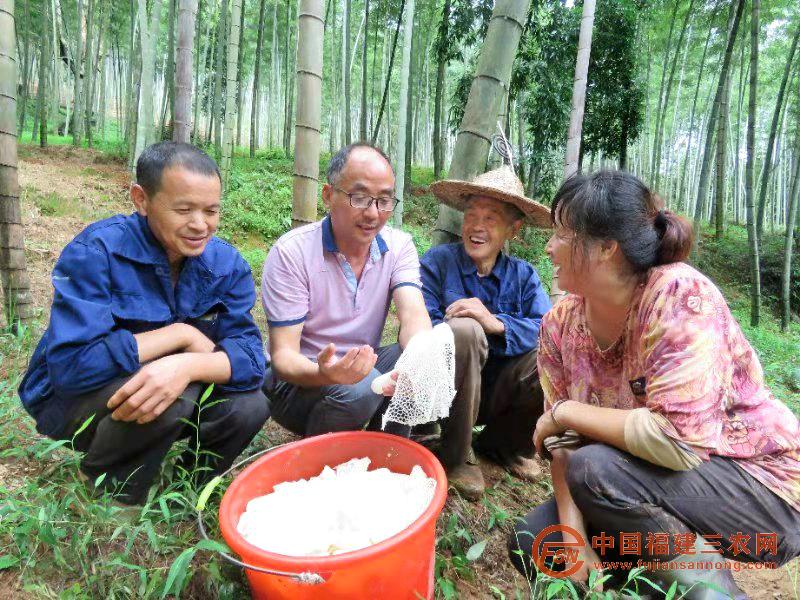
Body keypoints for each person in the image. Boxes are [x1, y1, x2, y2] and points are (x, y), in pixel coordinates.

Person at [508, 171, 800, 598]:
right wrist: (574, 537)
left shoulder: (679, 296)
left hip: (761, 493)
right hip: (640, 482)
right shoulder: (559, 326)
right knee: (535, 539)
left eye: (563, 235)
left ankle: (712, 593)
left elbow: (677, 442)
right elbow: (564, 443)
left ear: (606, 248)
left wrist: (565, 412)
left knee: (597, 469)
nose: (550, 247)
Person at [18, 142, 269, 507]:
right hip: (74, 402)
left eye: (211, 210)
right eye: (183, 210)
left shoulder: (226, 265)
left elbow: (252, 360)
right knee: (171, 396)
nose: (200, 224)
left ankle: (188, 492)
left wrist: (186, 365)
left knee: (251, 404)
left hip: (166, 392)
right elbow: (72, 369)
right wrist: (180, 335)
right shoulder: (98, 251)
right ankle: (111, 491)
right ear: (141, 199)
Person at [261, 143, 431, 437]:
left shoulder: (398, 246)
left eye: (384, 200)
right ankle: (321, 458)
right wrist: (324, 372)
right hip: (296, 382)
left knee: (418, 356)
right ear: (328, 195)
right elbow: (284, 357)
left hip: (359, 366)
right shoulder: (293, 252)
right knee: (360, 387)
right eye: (360, 198)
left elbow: (413, 314)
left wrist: (420, 357)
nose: (373, 213)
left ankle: (387, 451)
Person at [421, 165, 552, 500]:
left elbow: (547, 330)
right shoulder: (437, 263)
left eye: (491, 218)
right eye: (471, 216)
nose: (477, 226)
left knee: (548, 358)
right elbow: (422, 326)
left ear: (513, 229)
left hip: (497, 392)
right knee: (464, 329)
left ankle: (502, 446)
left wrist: (496, 323)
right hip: (444, 391)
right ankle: (456, 453)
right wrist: (468, 331)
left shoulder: (524, 276)